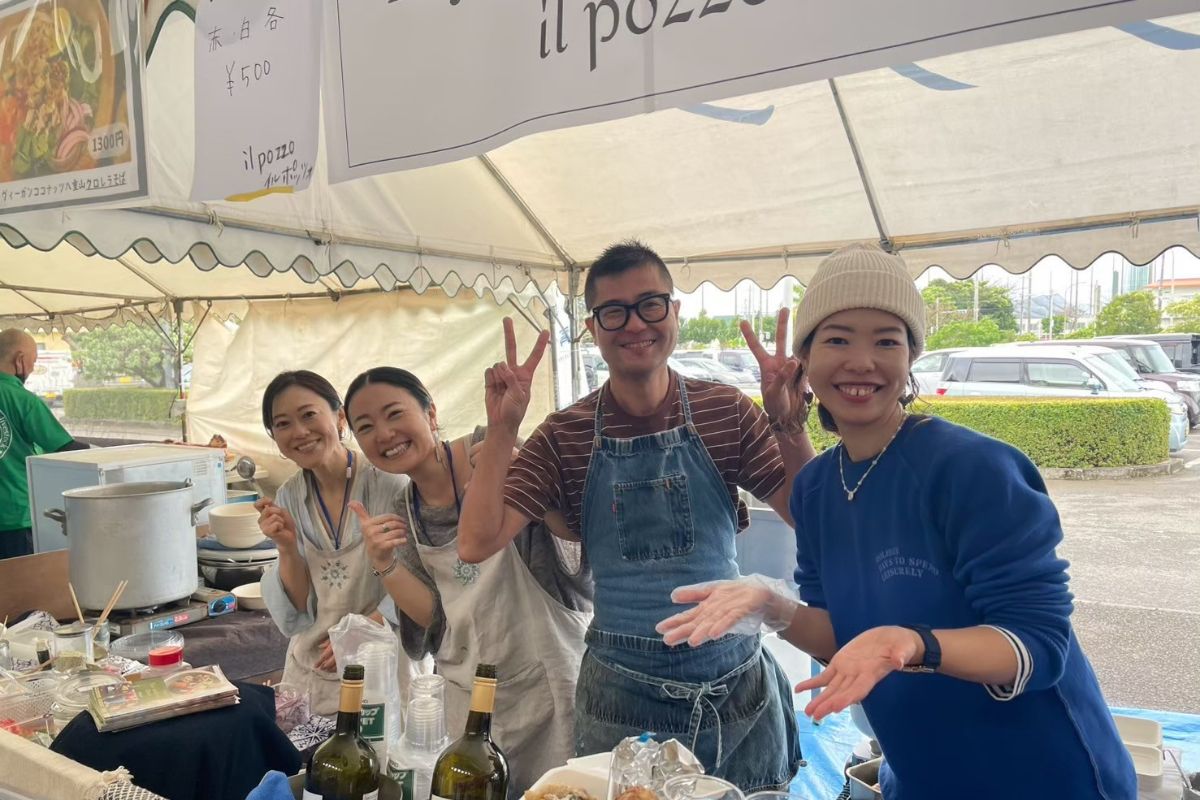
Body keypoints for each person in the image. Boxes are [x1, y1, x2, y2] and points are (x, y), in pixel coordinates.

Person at [656, 243, 1137, 799]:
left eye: (887, 341)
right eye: (838, 340)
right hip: (922, 773)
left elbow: (1038, 646)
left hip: (1042, 774)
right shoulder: (816, 487)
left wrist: (911, 642)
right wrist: (774, 609)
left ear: (911, 358)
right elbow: (842, 635)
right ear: (805, 359)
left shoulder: (973, 468)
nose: (862, 362)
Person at [457, 241, 814, 791]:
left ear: (675, 311)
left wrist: (789, 425)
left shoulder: (726, 411)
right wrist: (503, 428)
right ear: (592, 328)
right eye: (614, 312)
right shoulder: (564, 435)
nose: (635, 324)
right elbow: (476, 541)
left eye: (650, 304)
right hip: (622, 694)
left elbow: (810, 517)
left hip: (735, 685)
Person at [344, 366, 591, 796]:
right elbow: (436, 621)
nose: (383, 434)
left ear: (431, 413)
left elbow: (573, 548)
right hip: (469, 697)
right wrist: (384, 564)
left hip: (548, 684)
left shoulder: (492, 448)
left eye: (394, 413)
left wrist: (535, 484)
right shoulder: (405, 509)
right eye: (365, 427)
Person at [255, 370, 428, 715]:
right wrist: (286, 547)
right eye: (283, 424)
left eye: (309, 415)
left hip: (385, 658)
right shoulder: (289, 495)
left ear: (339, 417)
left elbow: (422, 578)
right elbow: (300, 607)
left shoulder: (390, 484)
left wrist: (361, 631)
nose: (299, 432)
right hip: (316, 663)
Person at [0, 329, 87, 559]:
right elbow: (64, 448)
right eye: (33, 361)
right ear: (19, 360)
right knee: (21, 580)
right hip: (14, 517)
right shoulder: (22, 400)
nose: (31, 369)